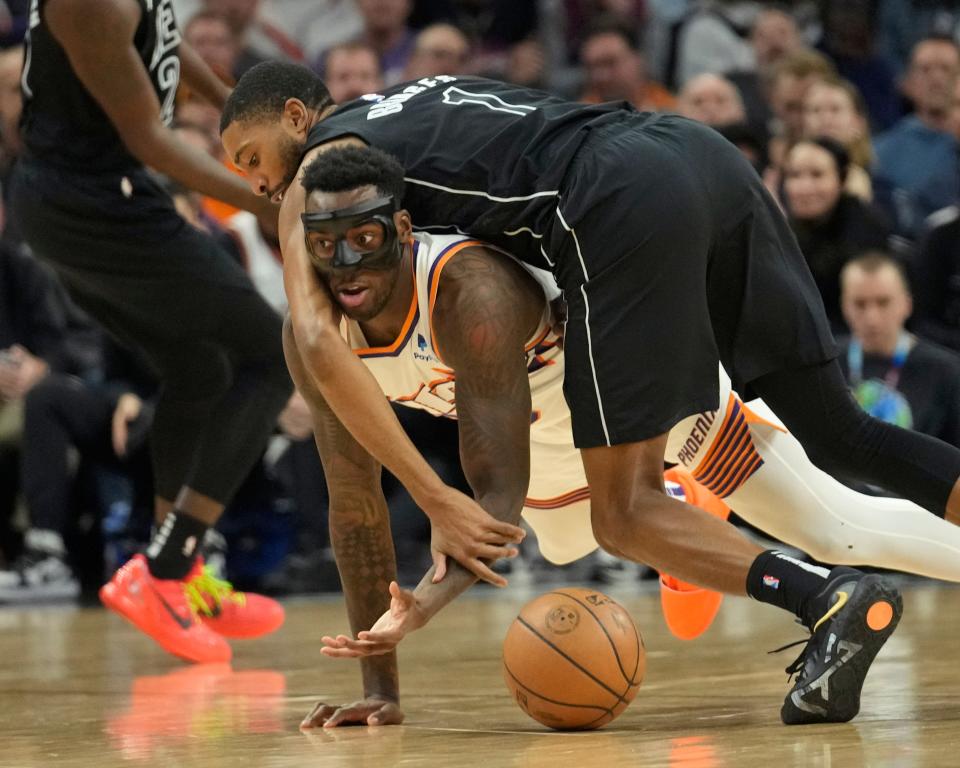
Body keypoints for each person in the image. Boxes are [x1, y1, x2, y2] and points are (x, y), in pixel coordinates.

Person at [218, 63, 960, 725]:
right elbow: (379, 494)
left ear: (297, 118)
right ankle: (677, 506)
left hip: (609, 213)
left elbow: (315, 337)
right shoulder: (394, 125)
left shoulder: (329, 190)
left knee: (626, 516)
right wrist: (382, 680)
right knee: (839, 438)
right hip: (691, 155)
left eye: (253, 159)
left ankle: (732, 538)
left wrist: (434, 497)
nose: (257, 185)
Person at [9, 0, 293, 663]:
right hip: (91, 205)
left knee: (200, 369)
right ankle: (164, 572)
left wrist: (235, 106)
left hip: (98, 195)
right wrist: (275, 197)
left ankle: (180, 572)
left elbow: (161, 37)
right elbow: (151, 140)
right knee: (268, 355)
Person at [839, 252, 960, 446]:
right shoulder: (827, 361)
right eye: (859, 304)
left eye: (883, 302)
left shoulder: (946, 372)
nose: (872, 318)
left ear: (907, 304)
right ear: (844, 305)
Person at [782, 137, 892, 333]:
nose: (804, 187)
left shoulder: (868, 228)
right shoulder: (780, 232)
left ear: (842, 179)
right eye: (794, 175)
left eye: (817, 175)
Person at [873, 36, 960, 238]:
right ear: (907, 82)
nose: (937, 79)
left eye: (947, 69)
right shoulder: (882, 152)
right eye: (925, 69)